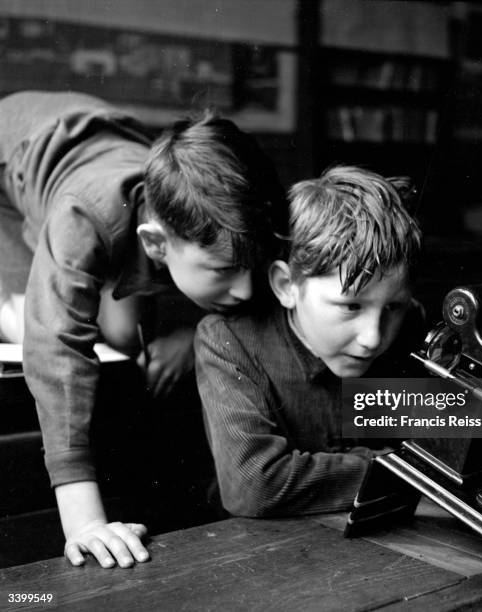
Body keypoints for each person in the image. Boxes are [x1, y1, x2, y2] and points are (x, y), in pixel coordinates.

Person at [0, 91, 286, 566]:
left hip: (105, 137)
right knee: (32, 323)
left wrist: (190, 339)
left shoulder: (193, 215)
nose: (244, 291)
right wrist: (85, 522)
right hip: (12, 159)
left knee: (120, 335)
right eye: (221, 271)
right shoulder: (80, 218)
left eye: (252, 267)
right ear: (154, 243)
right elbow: (55, 351)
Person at [195, 165, 424, 517]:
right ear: (287, 286)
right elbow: (253, 485)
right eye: (350, 306)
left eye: (393, 306)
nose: (373, 338)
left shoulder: (412, 324)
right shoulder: (229, 341)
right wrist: (409, 472)